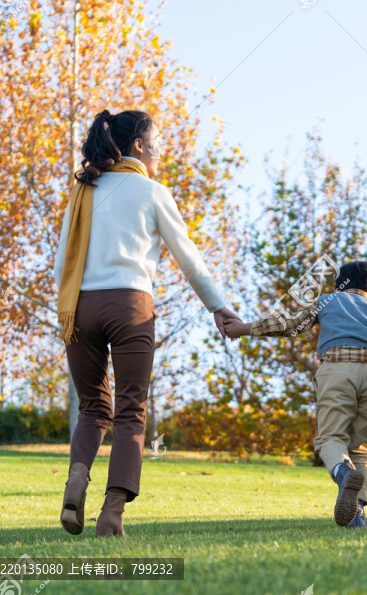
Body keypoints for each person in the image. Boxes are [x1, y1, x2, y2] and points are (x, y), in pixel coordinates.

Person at [53, 109, 240, 537]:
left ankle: (75, 485)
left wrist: (70, 308)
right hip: (131, 305)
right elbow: (189, 260)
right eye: (156, 141)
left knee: (92, 408)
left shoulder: (82, 192)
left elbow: (62, 261)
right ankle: (112, 514)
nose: (161, 151)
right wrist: (218, 306)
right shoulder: (152, 191)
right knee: (130, 409)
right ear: (139, 146)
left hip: (78, 307)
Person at [223, 261, 367, 528]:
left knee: (331, 437)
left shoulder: (327, 301)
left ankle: (343, 474)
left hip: (337, 369)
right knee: (360, 447)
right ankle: (358, 515)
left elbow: (290, 324)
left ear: (337, 286)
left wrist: (244, 328)